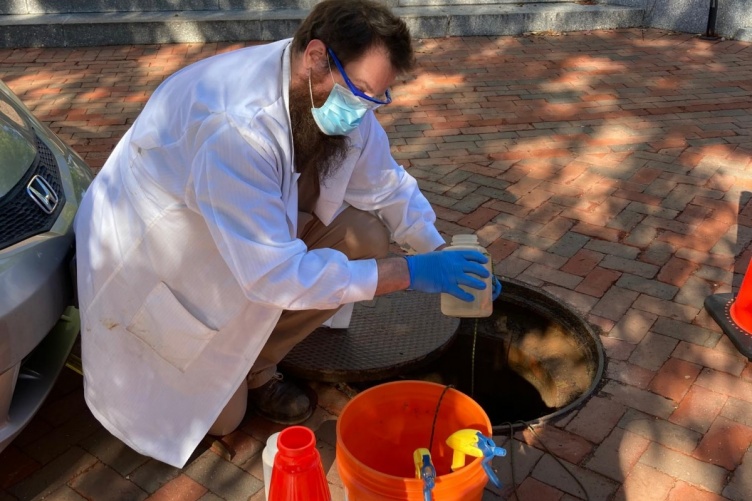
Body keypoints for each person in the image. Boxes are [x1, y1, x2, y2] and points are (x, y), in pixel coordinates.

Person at [74, 0, 500, 468]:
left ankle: (256, 364)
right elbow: (273, 276)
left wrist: (437, 248)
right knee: (222, 419)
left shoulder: (323, 90)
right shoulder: (236, 127)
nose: (363, 109)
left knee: (364, 236)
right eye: (360, 90)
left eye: (377, 96)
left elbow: (384, 183)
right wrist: (408, 273)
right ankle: (194, 374)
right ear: (315, 56)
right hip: (162, 250)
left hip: (245, 232)